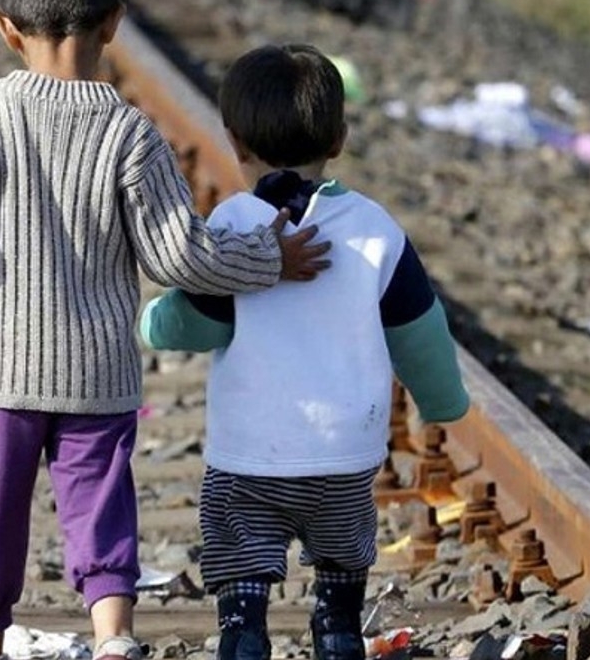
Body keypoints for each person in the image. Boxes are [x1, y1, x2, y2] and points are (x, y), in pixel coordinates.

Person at [0, 0, 334, 659]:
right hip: (96, 374)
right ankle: (113, 636)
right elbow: (177, 254)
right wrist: (268, 258)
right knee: (100, 501)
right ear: (115, 23)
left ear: (4, 27)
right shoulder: (132, 134)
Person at [138, 44, 470, 660]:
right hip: (345, 457)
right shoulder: (375, 227)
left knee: (240, 557)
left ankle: (243, 634)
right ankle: (339, 632)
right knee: (342, 559)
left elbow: (197, 322)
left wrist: (153, 322)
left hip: (250, 460)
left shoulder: (235, 225)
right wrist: (443, 402)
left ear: (234, 142)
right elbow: (419, 329)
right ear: (339, 139)